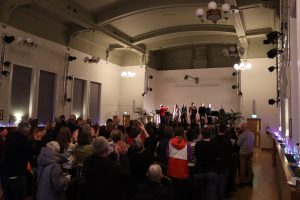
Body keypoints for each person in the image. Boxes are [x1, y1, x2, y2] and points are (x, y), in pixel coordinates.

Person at [1, 122, 33, 200]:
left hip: (5, 174)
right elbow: (29, 161)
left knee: (8, 196)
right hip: (17, 176)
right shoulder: (25, 143)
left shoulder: (9, 137)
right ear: (27, 132)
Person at [237, 123, 255, 187]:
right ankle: (250, 182)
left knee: (242, 168)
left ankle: (242, 182)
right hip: (250, 153)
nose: (241, 128)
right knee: (249, 167)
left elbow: (238, 144)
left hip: (243, 154)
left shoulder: (242, 135)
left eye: (241, 127)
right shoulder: (252, 134)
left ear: (243, 128)